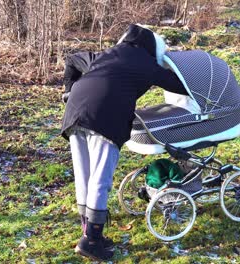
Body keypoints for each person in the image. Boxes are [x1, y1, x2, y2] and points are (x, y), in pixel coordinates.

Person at [60, 24, 187, 261]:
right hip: (105, 116)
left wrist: (68, 90)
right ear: (151, 48)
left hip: (75, 110)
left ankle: (88, 234)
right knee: (100, 178)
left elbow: (72, 60)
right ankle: (92, 242)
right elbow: (178, 84)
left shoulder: (106, 54)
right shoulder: (146, 63)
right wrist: (200, 89)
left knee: (84, 175)